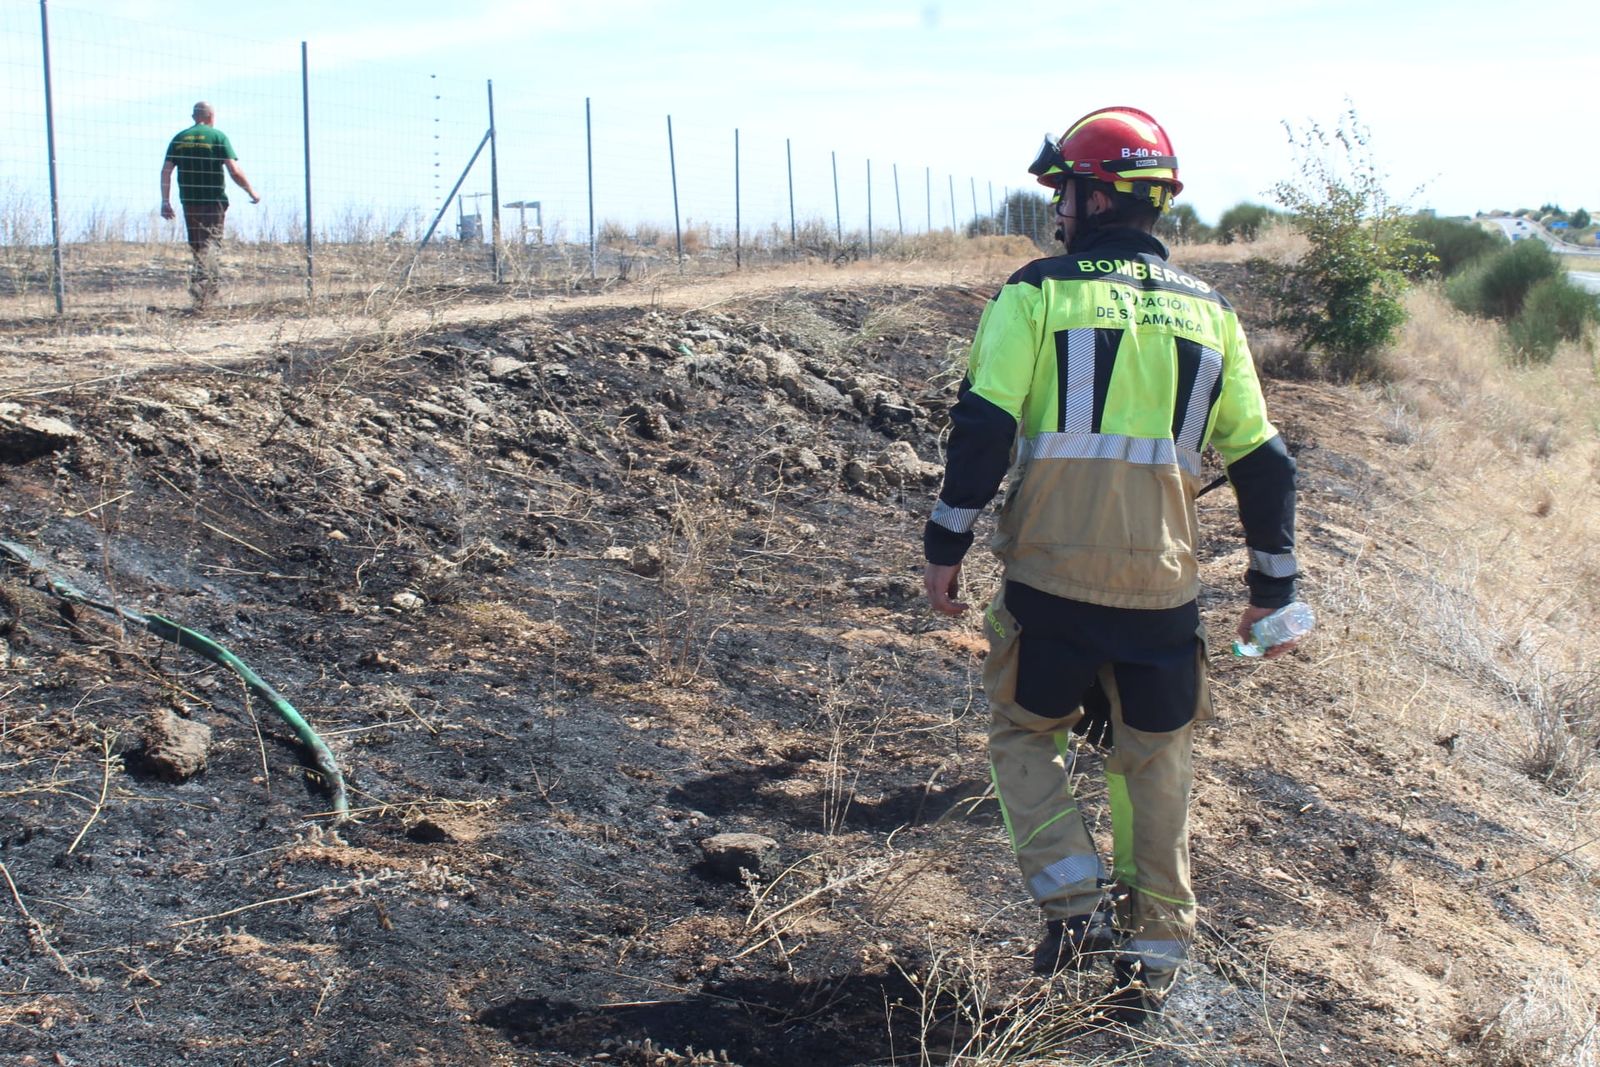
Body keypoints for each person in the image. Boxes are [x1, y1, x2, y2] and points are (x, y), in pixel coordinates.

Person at [921, 106, 1300, 1026]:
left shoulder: (1036, 294)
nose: (1058, 209)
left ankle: (1074, 904)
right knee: (1154, 760)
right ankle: (1155, 954)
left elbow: (983, 427)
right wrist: (1273, 587)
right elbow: (1264, 461)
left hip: (1049, 577)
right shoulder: (1214, 315)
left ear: (1098, 197)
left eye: (1066, 191)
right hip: (1163, 589)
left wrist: (946, 541)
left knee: (1023, 735)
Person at [160, 101, 260, 306]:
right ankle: (207, 291)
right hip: (213, 200)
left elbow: (166, 171)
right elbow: (234, 170)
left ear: (194, 117)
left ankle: (201, 288)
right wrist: (251, 191)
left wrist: (165, 201)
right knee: (212, 243)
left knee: (197, 244)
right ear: (211, 116)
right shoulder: (218, 137)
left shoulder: (179, 138)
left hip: (189, 201)